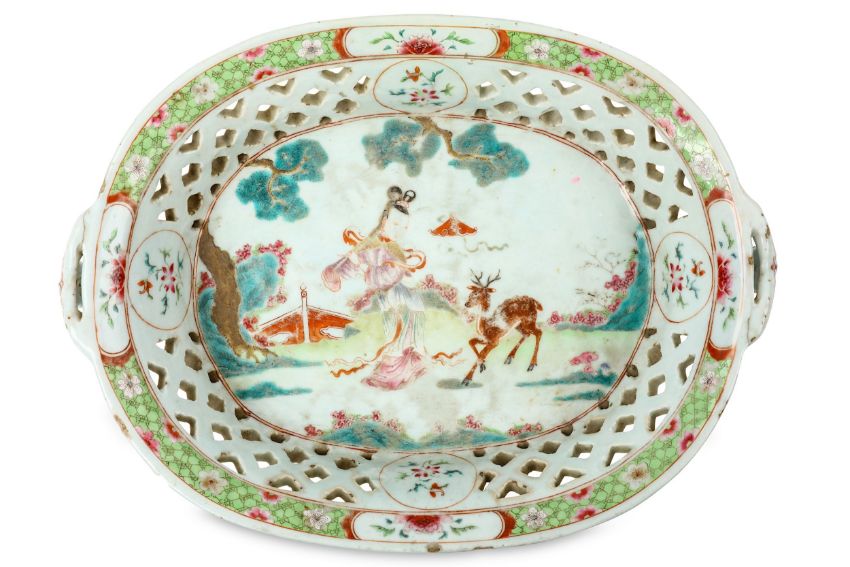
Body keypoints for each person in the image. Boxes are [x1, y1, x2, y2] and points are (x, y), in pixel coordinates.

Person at [321, 186, 427, 389]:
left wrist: (361, 266)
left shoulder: (395, 252)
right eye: (392, 222)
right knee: (392, 336)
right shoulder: (376, 245)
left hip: (399, 300)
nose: (395, 229)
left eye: (401, 226)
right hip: (388, 299)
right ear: (384, 220)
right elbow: (358, 262)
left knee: (397, 340)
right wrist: (339, 272)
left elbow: (385, 278)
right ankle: (396, 371)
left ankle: (397, 374)